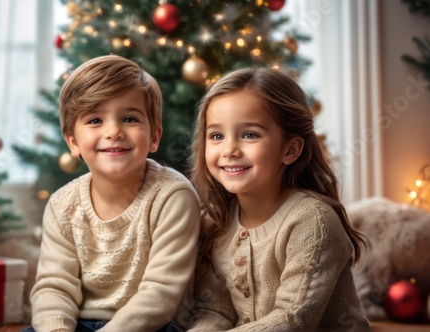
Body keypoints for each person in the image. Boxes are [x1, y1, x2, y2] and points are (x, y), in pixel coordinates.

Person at [186, 67, 371, 331]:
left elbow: (293, 319)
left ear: (290, 149)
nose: (228, 150)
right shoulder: (216, 222)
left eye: (249, 135)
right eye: (217, 135)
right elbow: (214, 309)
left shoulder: (312, 222)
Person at [26, 55, 200, 332]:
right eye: (95, 120)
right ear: (73, 142)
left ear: (154, 136)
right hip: (80, 323)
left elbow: (160, 294)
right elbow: (54, 287)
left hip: (153, 324)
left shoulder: (173, 197)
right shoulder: (62, 205)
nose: (114, 131)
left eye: (129, 118)